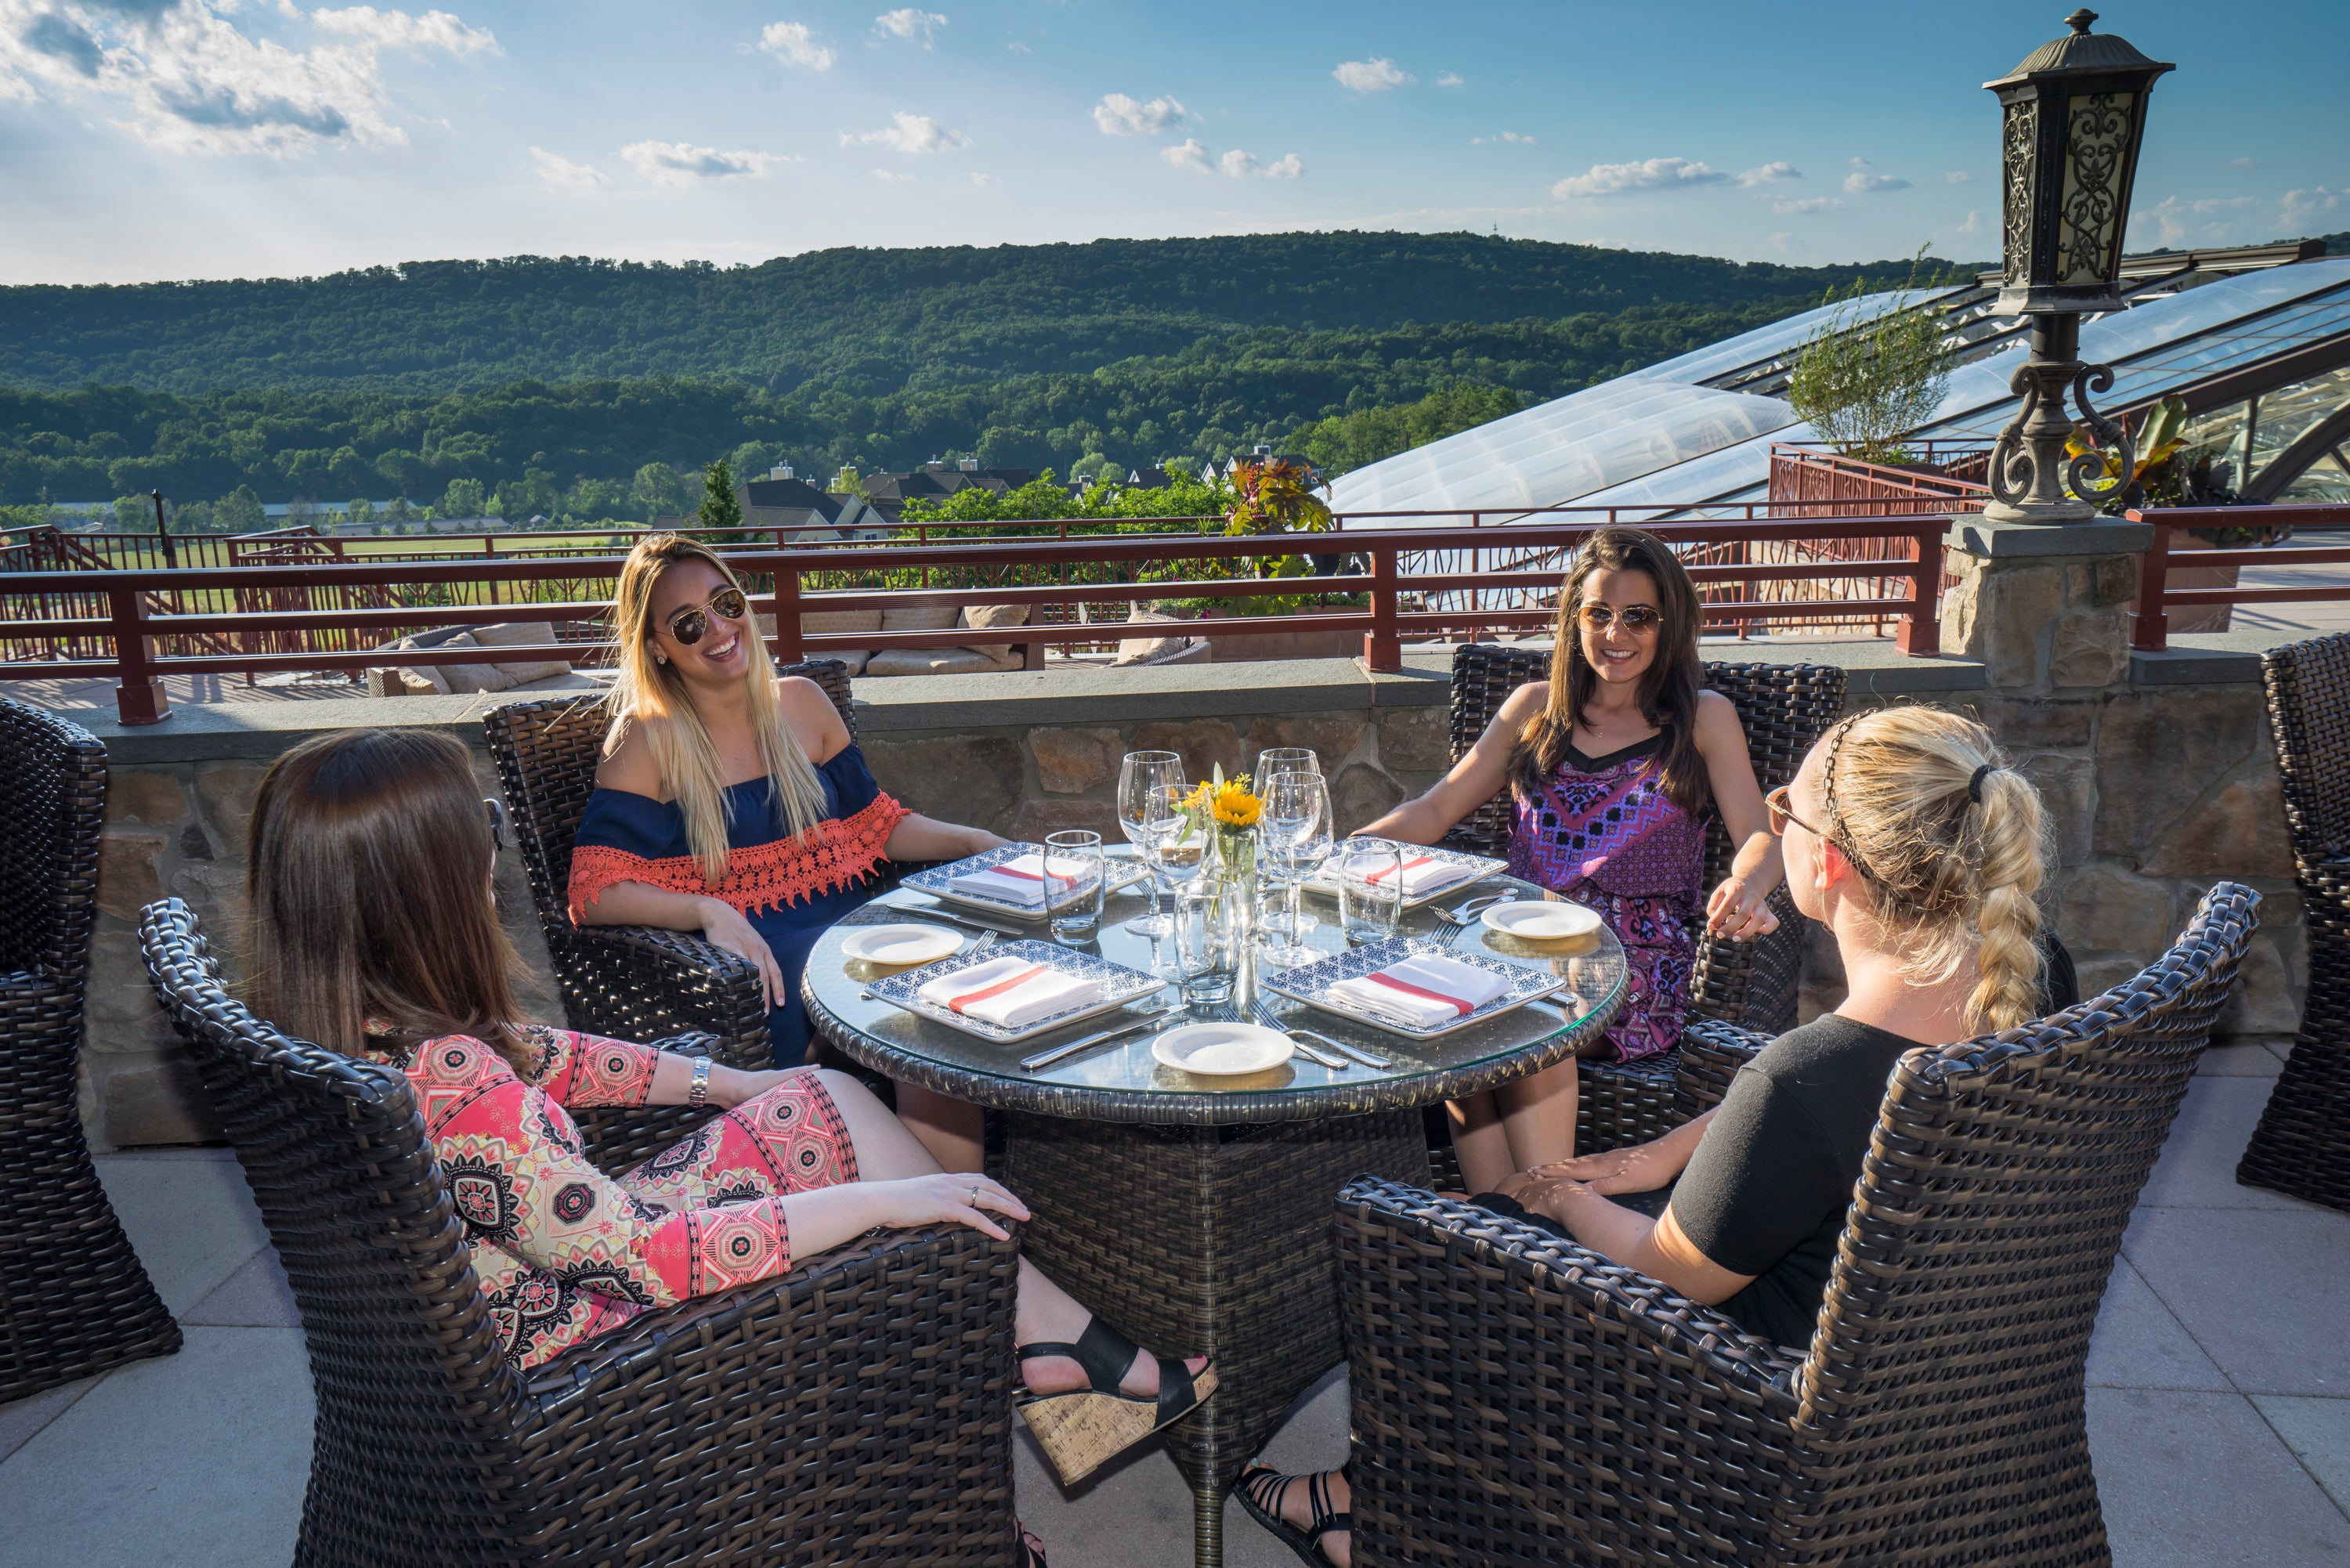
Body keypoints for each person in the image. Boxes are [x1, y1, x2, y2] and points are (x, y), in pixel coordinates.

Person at [243, 727, 1216, 1549]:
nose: (494, 845)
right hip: (585, 1352)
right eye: (482, 827)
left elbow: (547, 1055)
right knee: (901, 1211)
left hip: (516, 1301)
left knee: (825, 1097)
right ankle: (1026, 1388)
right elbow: (647, 1262)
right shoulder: (459, 1085)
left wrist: (733, 1081)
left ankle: (1050, 1337)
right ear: (425, 882)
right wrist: (884, 1200)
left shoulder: (342, 1032)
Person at [1242, 707, 2051, 1568]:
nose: (1774, 819)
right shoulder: (2031, 978)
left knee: (1456, 1237)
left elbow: (1663, 1268)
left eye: (1789, 810)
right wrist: (1672, 1148)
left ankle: (1366, 1505)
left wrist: (1566, 1196)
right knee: (1514, 1205)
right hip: (1922, 1367)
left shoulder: (1802, 1086)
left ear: (1829, 862)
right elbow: (1839, 1101)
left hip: (1742, 1402)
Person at [1356, 526, 1782, 1194]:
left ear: (1670, 624)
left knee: (1528, 1017)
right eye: (1599, 614)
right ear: (1573, 620)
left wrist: (1750, 883)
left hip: (1631, 960)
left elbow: (1760, 835)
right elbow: (1436, 811)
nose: (1617, 634)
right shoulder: (1535, 711)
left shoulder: (1702, 719)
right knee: (1452, 1011)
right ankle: (1507, 1214)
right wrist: (1338, 853)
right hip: (1511, 938)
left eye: (1639, 617)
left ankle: (1545, 1214)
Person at [568, 533, 997, 1172]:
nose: (717, 628)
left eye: (726, 602)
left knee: (945, 991)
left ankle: (953, 1217)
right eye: (688, 624)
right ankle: (959, 1217)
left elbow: (877, 826)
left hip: (858, 938)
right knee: (917, 1013)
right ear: (657, 646)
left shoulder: (800, 703)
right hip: (762, 971)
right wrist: (706, 910)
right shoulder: (647, 738)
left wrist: (976, 842)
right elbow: (593, 891)